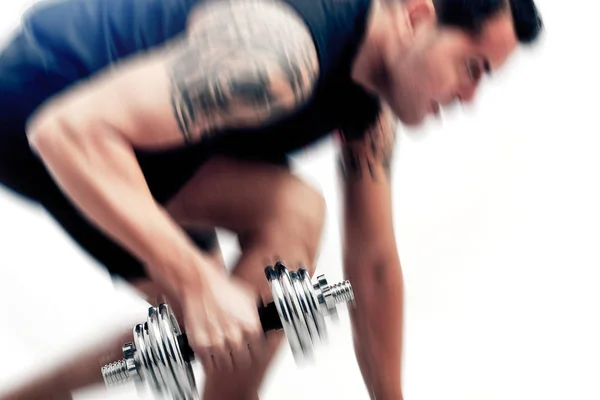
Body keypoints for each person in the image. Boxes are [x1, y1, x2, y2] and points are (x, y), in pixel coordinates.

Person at [0, 0, 543, 398]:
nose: (470, 98)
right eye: (471, 67)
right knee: (259, 258)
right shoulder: (282, 57)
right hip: (45, 100)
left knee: (243, 302)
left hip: (145, 133)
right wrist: (196, 279)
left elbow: (373, 268)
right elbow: (65, 131)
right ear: (416, 16)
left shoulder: (367, 110)